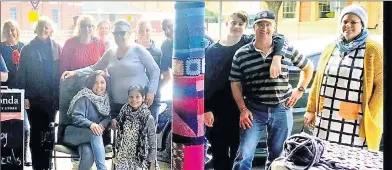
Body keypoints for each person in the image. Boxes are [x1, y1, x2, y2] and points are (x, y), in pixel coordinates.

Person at [229, 10, 314, 170]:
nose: (264, 28)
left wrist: (300, 90)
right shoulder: (241, 54)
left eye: (268, 24)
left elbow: (308, 67)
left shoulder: (286, 50)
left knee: (279, 156)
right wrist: (243, 109)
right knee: (244, 154)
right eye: (260, 24)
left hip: (282, 109)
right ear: (254, 27)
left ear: (274, 27)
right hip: (254, 110)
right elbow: (235, 83)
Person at [204, 10, 288, 170]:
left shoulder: (248, 43)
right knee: (218, 152)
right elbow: (206, 82)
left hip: (243, 109)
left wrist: (277, 57)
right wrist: (206, 108)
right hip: (218, 110)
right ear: (226, 23)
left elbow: (280, 38)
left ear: (246, 27)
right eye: (233, 22)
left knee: (239, 152)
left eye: (241, 24)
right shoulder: (212, 50)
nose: (236, 26)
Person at [304, 4, 383, 151]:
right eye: (345, 21)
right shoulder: (330, 47)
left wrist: (370, 115)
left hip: (355, 124)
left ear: (362, 25)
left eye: (353, 22)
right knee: (325, 160)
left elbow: (382, 88)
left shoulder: (373, 49)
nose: (348, 25)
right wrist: (310, 109)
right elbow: (317, 82)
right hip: (325, 120)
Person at [60, 19, 160, 133]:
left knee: (139, 139)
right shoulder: (111, 52)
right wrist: (75, 73)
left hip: (137, 103)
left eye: (122, 33)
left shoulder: (138, 50)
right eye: (115, 33)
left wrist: (151, 92)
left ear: (129, 34)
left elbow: (155, 70)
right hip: (118, 104)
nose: (118, 36)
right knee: (123, 140)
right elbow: (94, 68)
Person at [17, 16, 62, 170]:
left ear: (51, 30)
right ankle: (37, 166)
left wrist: (58, 97)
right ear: (36, 29)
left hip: (51, 99)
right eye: (41, 26)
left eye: (47, 27)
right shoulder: (27, 48)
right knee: (36, 133)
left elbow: (59, 75)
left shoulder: (57, 47)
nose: (44, 29)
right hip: (33, 99)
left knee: (49, 133)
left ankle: (47, 165)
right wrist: (25, 96)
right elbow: (21, 74)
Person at [0, 19, 32, 166]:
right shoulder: (0, 48)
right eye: (7, 30)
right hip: (4, 93)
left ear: (17, 31)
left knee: (25, 127)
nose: (10, 33)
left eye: (13, 30)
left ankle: (23, 155)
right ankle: (5, 159)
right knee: (5, 127)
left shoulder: (24, 47)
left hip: (21, 92)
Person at [66, 70, 111, 170]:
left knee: (88, 153)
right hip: (74, 134)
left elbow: (107, 118)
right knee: (95, 133)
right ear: (91, 84)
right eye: (96, 82)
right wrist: (91, 124)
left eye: (102, 82)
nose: (99, 86)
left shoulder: (105, 99)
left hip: (90, 140)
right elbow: (76, 117)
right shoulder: (84, 96)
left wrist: (102, 125)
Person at [114, 84, 158, 170]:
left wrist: (151, 163)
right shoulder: (123, 113)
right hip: (123, 158)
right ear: (128, 98)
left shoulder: (148, 118)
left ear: (143, 98)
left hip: (140, 160)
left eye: (137, 97)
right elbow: (119, 135)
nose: (134, 99)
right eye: (131, 97)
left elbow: (152, 143)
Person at [135, 19, 162, 122]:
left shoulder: (158, 52)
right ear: (136, 32)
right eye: (141, 31)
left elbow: (163, 75)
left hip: (152, 99)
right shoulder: (130, 50)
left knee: (150, 131)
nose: (144, 33)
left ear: (152, 31)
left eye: (147, 30)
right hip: (134, 97)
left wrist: (154, 90)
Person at [160, 18, 174, 89]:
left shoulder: (195, 40)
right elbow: (167, 77)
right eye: (164, 29)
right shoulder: (165, 47)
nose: (167, 31)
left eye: (170, 26)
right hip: (179, 86)